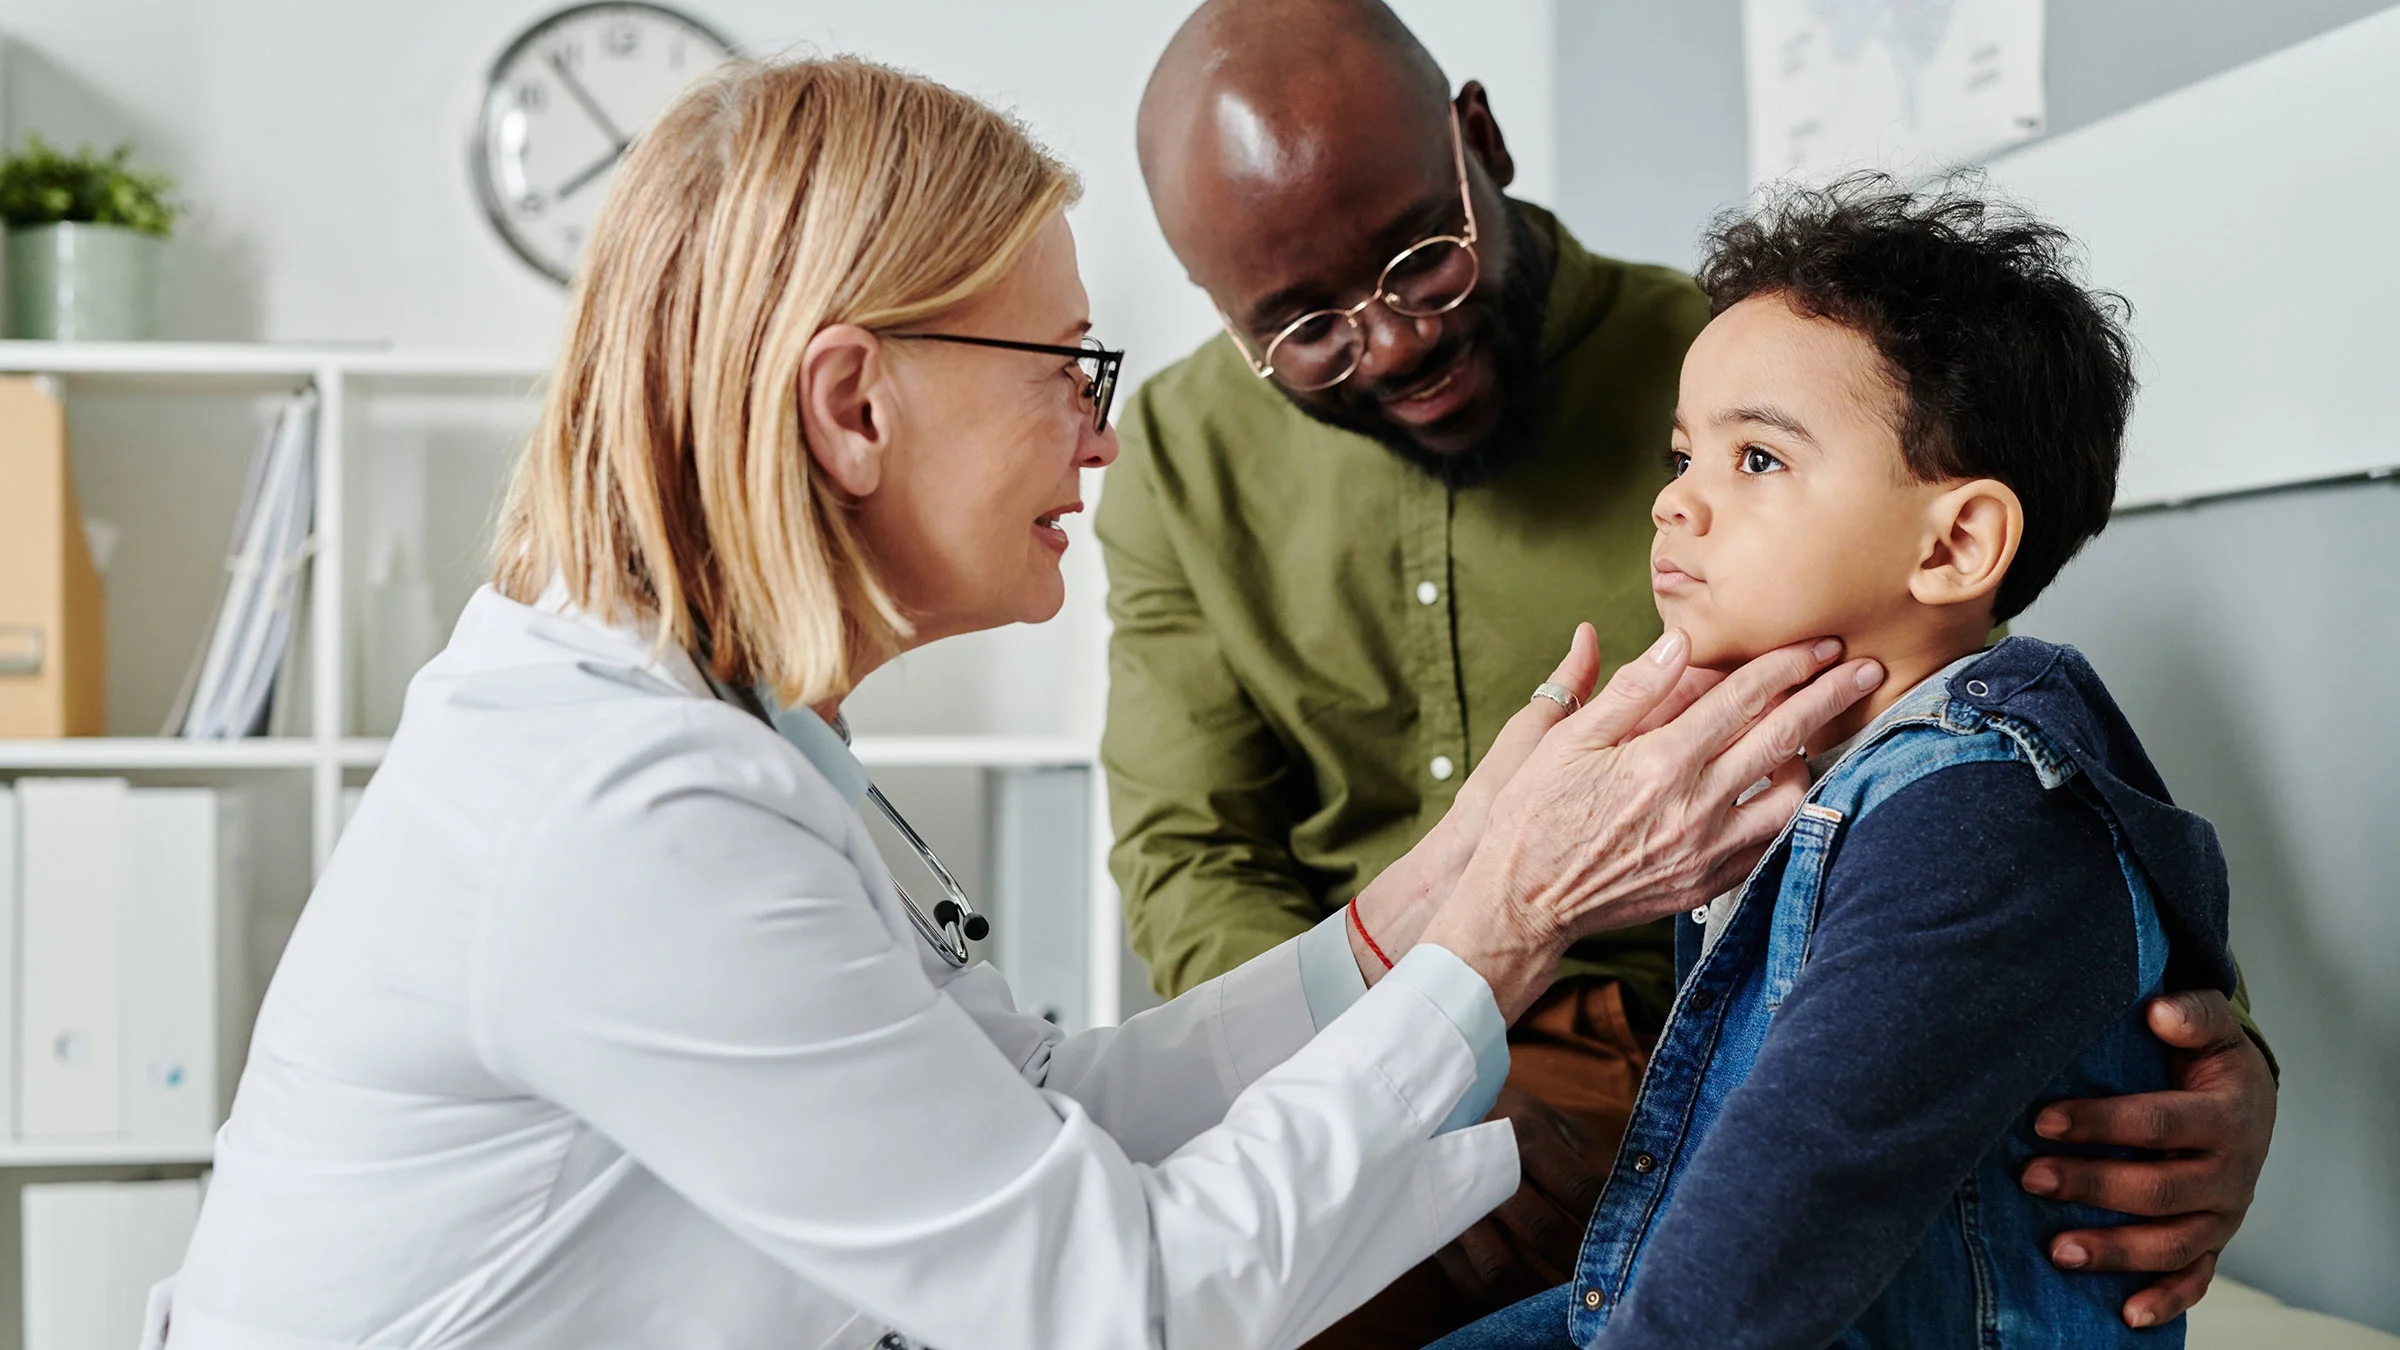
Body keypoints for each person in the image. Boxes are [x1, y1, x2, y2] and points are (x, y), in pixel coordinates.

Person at [153, 57, 1886, 1350]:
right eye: (1066, 366)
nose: (1102, 431)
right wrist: (1511, 916)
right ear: (851, 405)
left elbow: (1053, 1107)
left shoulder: (720, 738)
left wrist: (1430, 905)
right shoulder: (626, 816)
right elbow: (1113, 1308)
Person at [1101, 0, 2278, 1343]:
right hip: (1380, 1028)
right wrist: (1398, 1063)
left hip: (1665, 1057)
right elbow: (1190, 850)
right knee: (1144, 1269)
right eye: (1306, 327)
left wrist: (2212, 1051)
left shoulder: (1761, 352)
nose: (1394, 343)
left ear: (1479, 139)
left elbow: (2007, 809)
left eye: (1421, 261)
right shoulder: (1180, 462)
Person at [1436, 176, 2234, 1349]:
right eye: (1681, 456)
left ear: (1955, 544)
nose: (1675, 506)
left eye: (1755, 460)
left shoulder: (1987, 821)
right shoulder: (1798, 777)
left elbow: (1786, 1213)